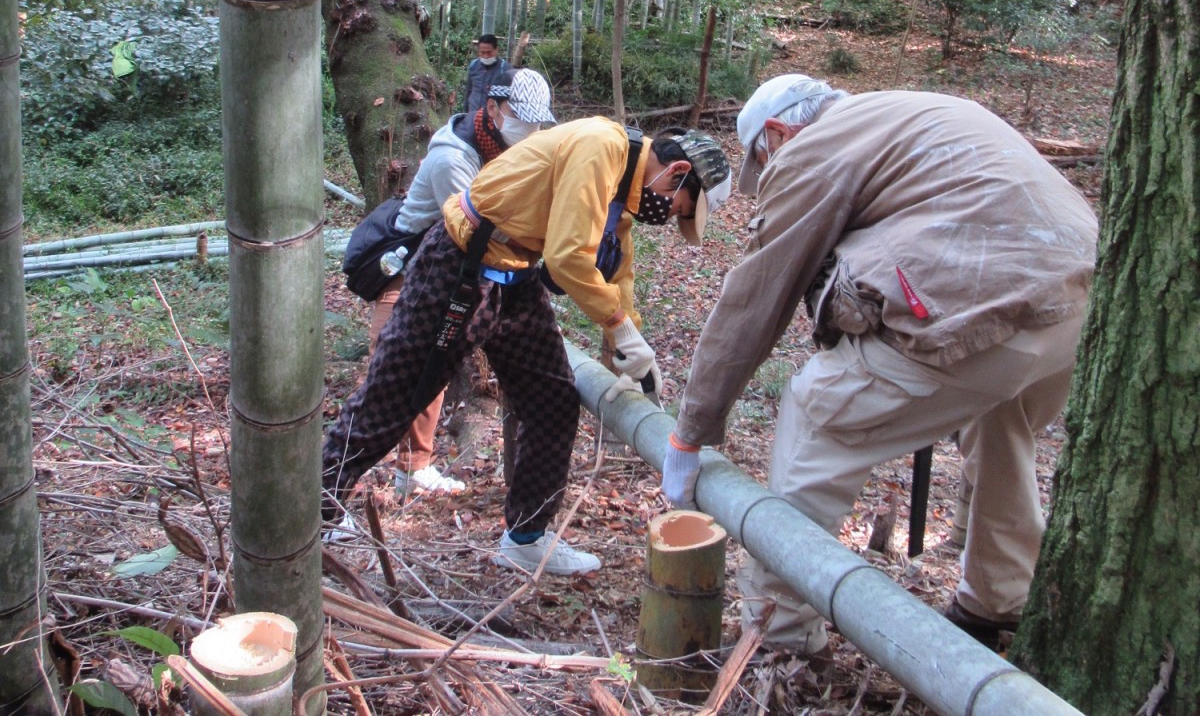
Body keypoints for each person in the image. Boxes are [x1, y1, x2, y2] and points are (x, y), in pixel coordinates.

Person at [661, 74, 1098, 655]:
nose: (767, 175)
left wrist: (691, 431)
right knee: (1002, 422)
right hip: (1083, 303)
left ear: (776, 134)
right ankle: (998, 595)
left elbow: (758, 292)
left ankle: (779, 635)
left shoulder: (812, 148)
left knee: (818, 417)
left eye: (761, 164)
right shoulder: (922, 107)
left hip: (979, 303)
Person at [323, 119, 732, 574]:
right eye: (679, 207)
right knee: (396, 397)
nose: (671, 215)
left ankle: (526, 537)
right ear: (676, 172)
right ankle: (311, 513)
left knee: (551, 400)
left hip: (515, 277)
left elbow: (617, 266)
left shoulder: (627, 185)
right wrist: (617, 324)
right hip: (459, 266)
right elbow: (568, 256)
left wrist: (629, 344)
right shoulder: (601, 149)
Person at [365, 68, 553, 495]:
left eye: (538, 121)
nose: (532, 130)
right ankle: (331, 488)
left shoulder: (506, 152)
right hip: (413, 269)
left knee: (433, 370)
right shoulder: (455, 158)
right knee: (390, 377)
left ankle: (413, 468)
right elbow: (485, 230)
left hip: (459, 275)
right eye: (521, 117)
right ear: (492, 109)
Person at [462, 33, 512, 117]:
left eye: (489, 52)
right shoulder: (473, 66)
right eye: (482, 52)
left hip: (493, 118)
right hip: (473, 114)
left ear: (496, 50)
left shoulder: (505, 69)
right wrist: (465, 112)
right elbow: (469, 90)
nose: (485, 56)